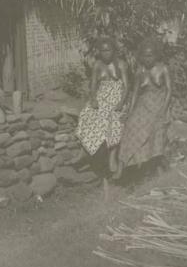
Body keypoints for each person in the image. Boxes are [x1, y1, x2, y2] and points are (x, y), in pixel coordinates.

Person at [68, 37, 129, 175]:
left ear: (113, 51)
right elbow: (94, 85)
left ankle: (112, 157)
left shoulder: (121, 64)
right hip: (102, 96)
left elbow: (126, 87)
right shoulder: (97, 65)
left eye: (108, 50)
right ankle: (84, 151)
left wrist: (121, 103)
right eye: (103, 51)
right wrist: (93, 99)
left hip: (117, 96)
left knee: (113, 118)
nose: (105, 53)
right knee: (87, 114)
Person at [114, 38, 172, 179]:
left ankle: (158, 164)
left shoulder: (163, 69)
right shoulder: (140, 71)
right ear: (141, 56)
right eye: (145, 56)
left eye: (150, 55)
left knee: (155, 127)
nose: (148, 59)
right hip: (143, 105)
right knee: (130, 126)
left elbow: (169, 90)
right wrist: (130, 111)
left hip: (159, 105)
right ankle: (122, 165)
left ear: (156, 55)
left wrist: (164, 109)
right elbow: (134, 93)